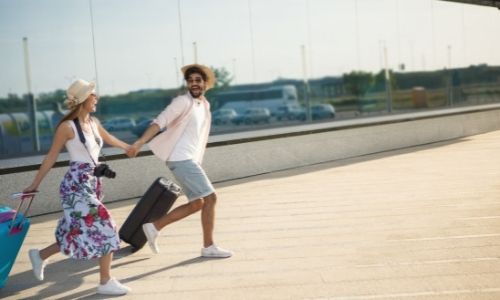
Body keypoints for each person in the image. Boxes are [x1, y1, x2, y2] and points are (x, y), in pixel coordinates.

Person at [23, 79, 131, 296]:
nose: (96, 98)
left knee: (75, 230)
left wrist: (128, 147)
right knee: (106, 225)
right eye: (93, 94)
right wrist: (34, 185)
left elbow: (107, 137)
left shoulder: (93, 122)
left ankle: (40, 255)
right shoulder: (67, 127)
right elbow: (51, 157)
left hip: (92, 182)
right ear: (83, 99)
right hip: (75, 186)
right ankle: (105, 281)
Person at [127, 64, 232, 258]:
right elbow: (159, 122)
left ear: (205, 83)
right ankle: (209, 246)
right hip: (180, 158)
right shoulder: (182, 102)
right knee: (211, 198)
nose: (193, 84)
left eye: (197, 80)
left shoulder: (204, 105)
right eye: (190, 80)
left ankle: (154, 227)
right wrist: (140, 142)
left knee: (197, 203)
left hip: (188, 159)